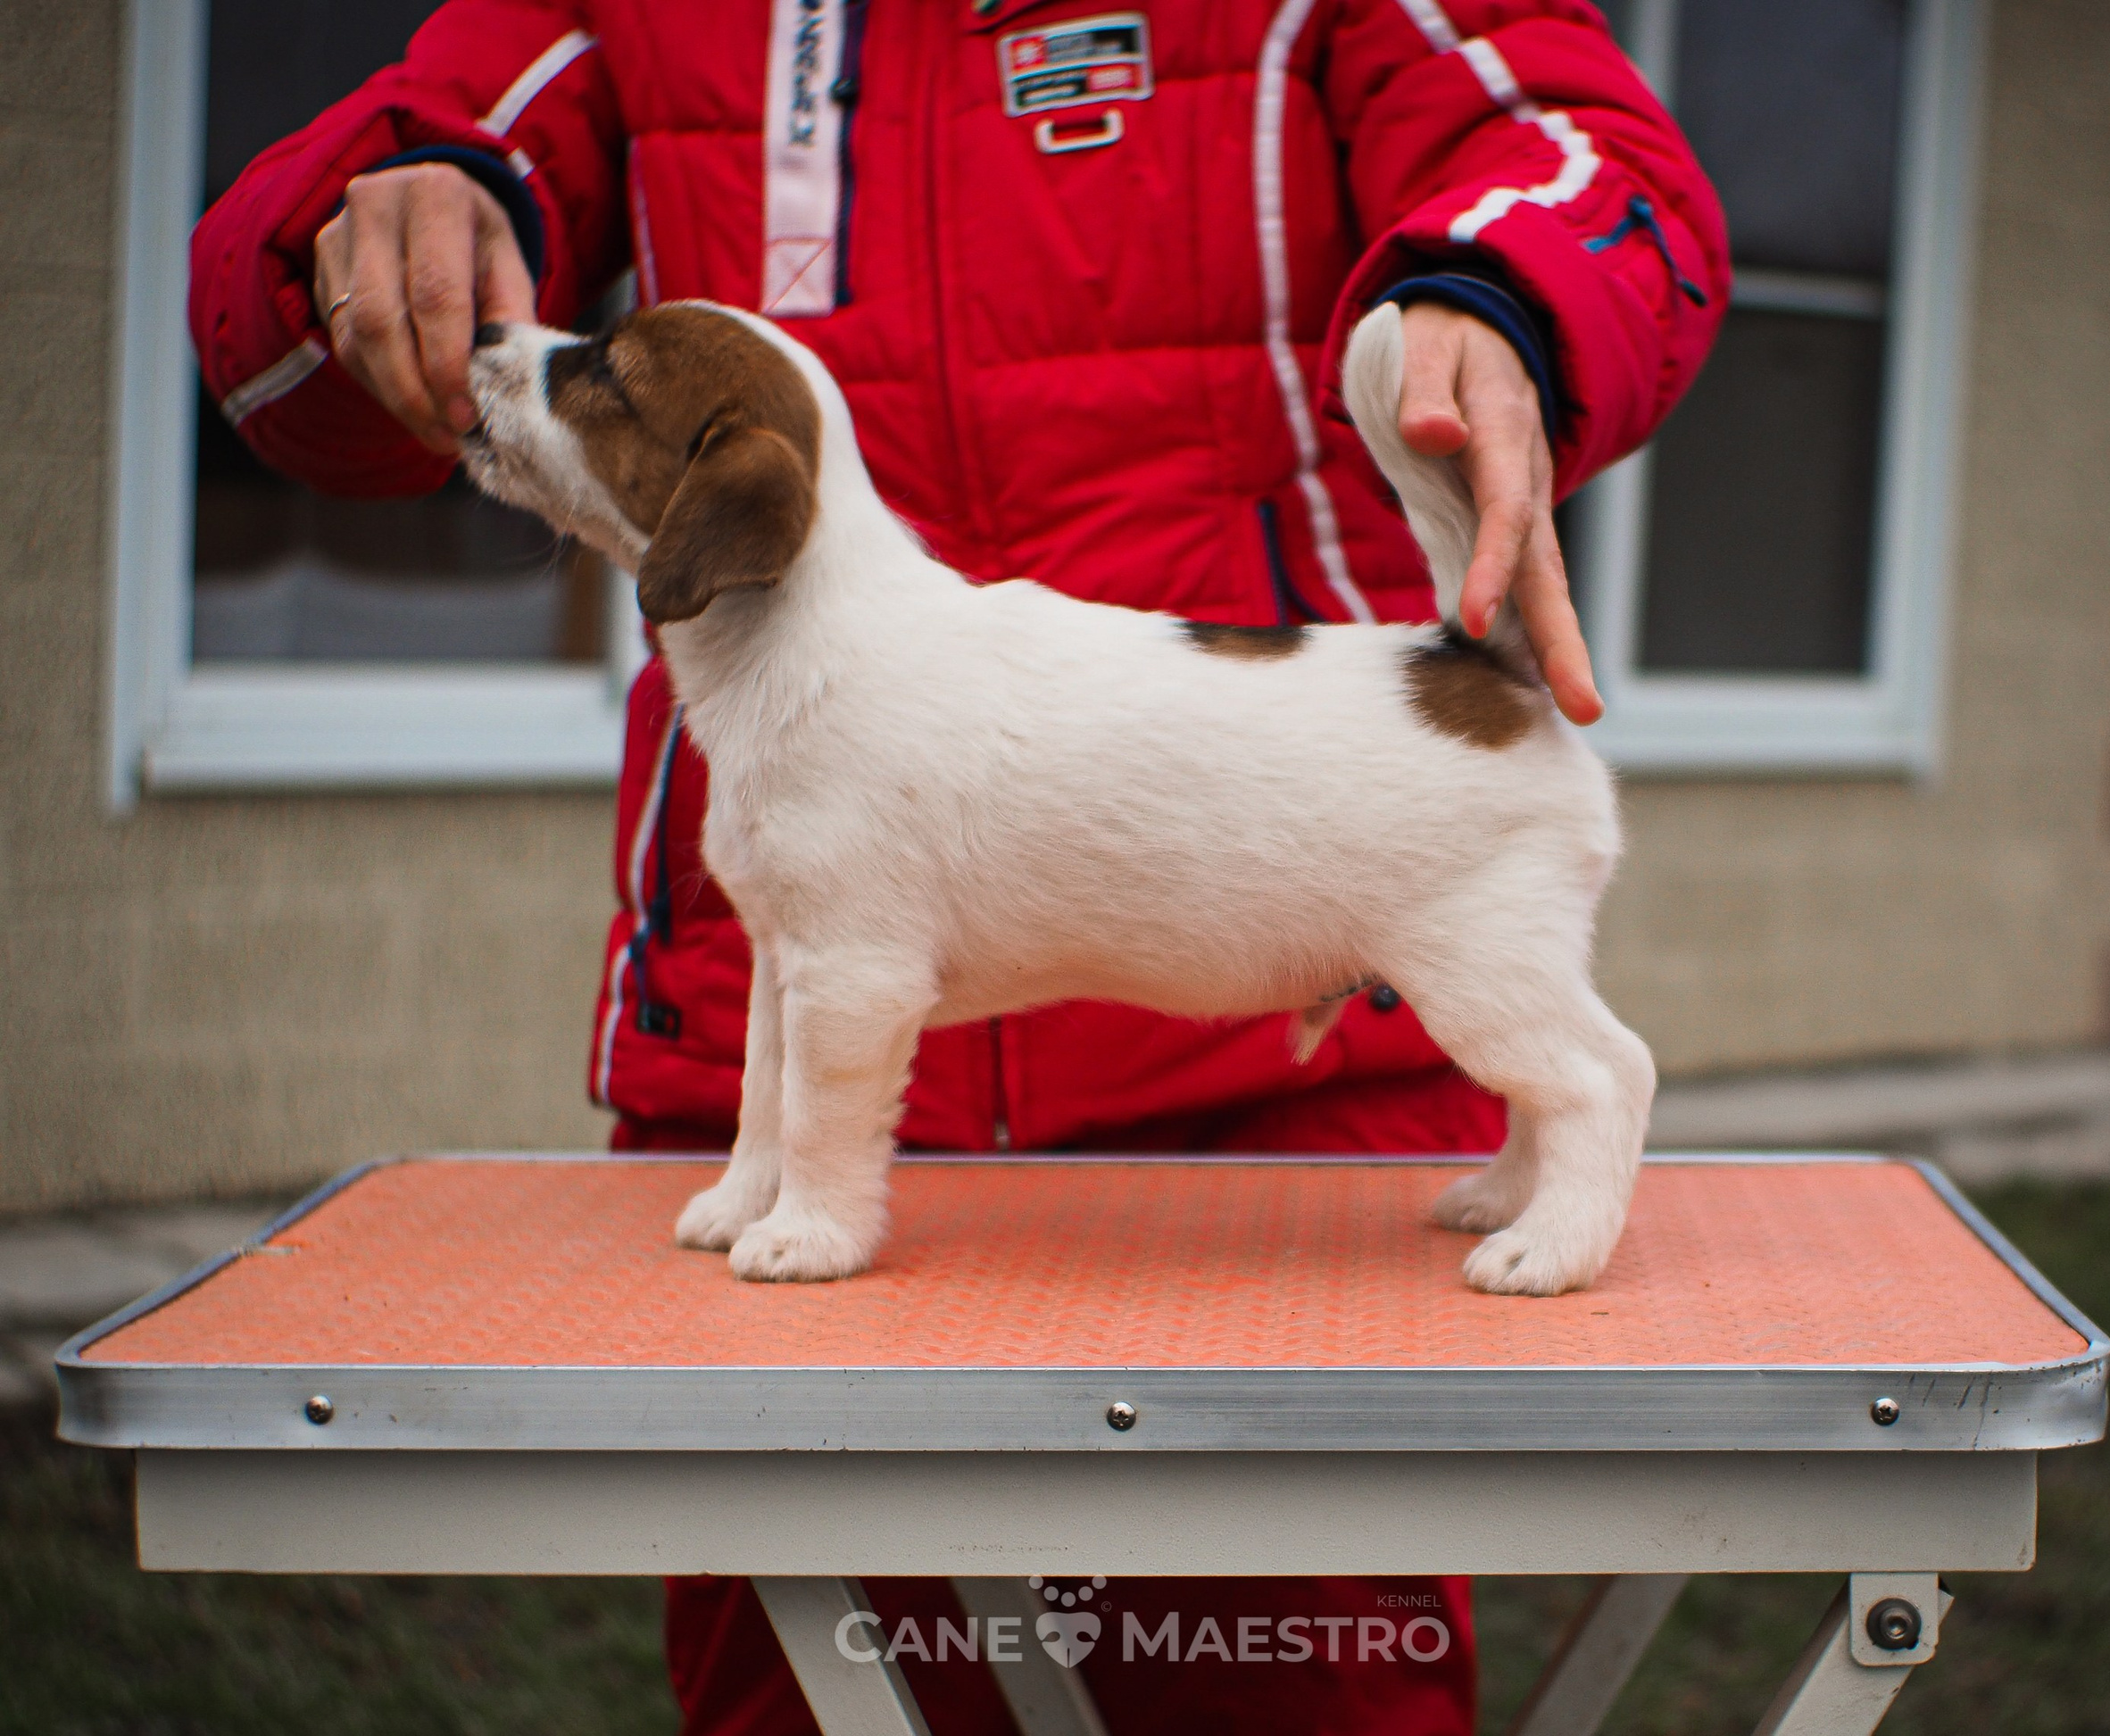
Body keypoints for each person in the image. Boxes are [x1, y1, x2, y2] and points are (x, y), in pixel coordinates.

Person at [192, 5, 1725, 1732]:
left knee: (1279, 1669)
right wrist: (374, 218)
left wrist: (1499, 300)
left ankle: (1572, 1135)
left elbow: (1593, 155)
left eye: (604, 380)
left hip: (1275, 1076)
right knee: (826, 1680)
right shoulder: (785, 713)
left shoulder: (825, 655)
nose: (555, 376)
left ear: (726, 510)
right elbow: (301, 308)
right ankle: (795, 1175)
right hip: (776, 1069)